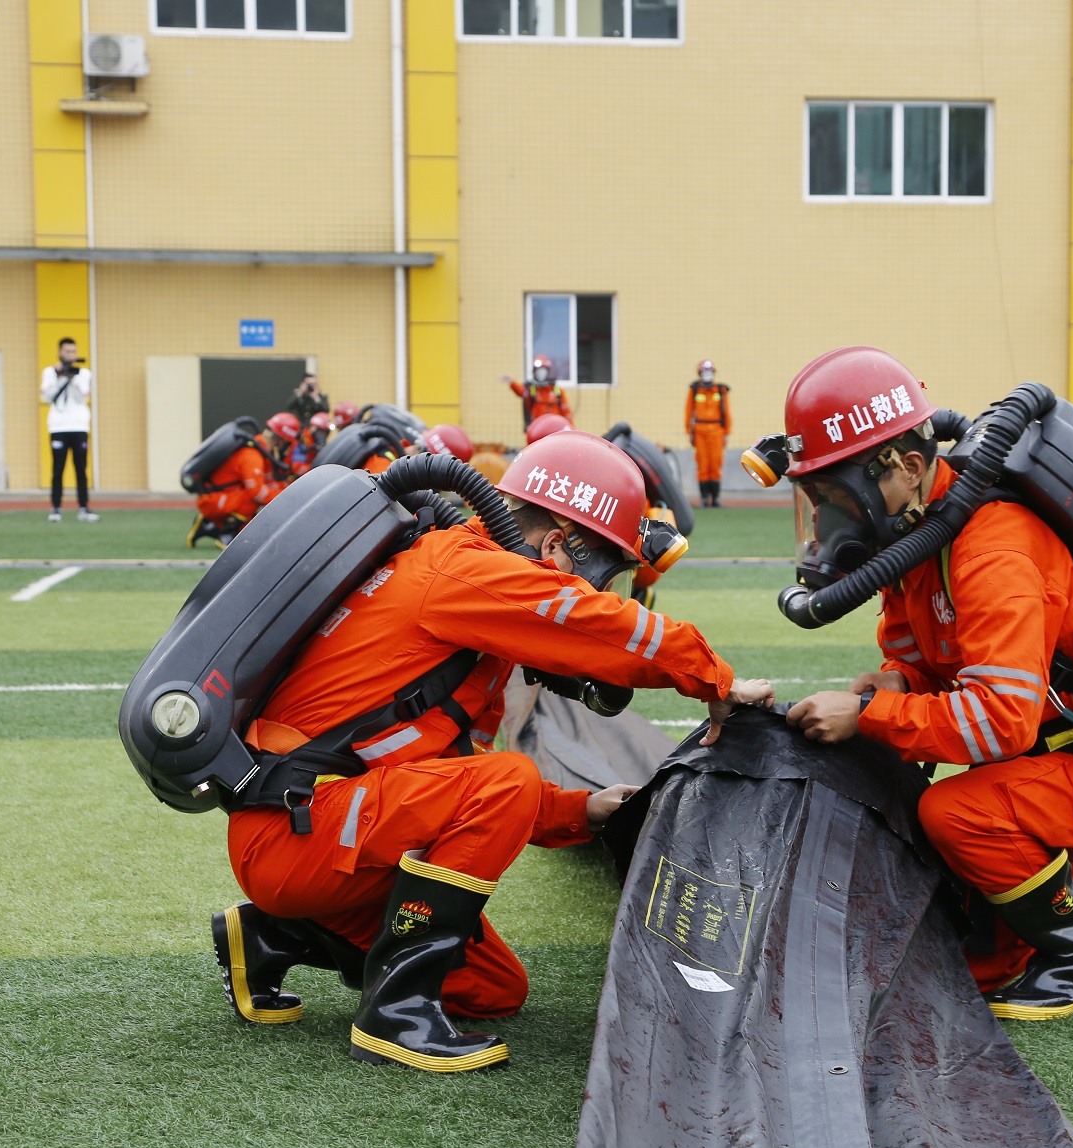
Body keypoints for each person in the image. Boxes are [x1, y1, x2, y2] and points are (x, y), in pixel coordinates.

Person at [216, 430, 774, 1072]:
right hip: (300, 830)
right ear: (560, 543)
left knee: (493, 989)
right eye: (603, 573)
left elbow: (451, 784)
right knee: (510, 776)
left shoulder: (468, 607)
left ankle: (270, 933)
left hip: (321, 826)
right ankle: (395, 1017)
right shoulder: (466, 569)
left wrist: (580, 811)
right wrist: (718, 680)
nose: (605, 592)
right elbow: (600, 628)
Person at [782, 347, 1073, 1022]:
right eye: (817, 499)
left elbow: (1000, 720)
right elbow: (923, 665)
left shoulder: (992, 548)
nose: (828, 522)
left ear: (908, 468)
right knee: (977, 953)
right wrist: (890, 683)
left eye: (839, 496)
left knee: (954, 815)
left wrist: (870, 715)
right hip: (1055, 756)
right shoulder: (919, 544)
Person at [188, 412, 296, 547]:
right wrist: (286, 497)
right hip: (212, 500)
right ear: (282, 441)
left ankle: (209, 525)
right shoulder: (252, 455)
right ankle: (226, 534)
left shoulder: (262, 451)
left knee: (248, 528)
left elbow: (270, 482)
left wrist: (290, 490)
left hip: (224, 496)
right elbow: (258, 492)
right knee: (252, 498)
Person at [39, 337, 98, 523]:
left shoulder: (84, 373)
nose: (71, 355)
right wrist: (59, 377)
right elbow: (47, 397)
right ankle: (55, 509)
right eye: (68, 351)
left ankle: (84, 508)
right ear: (60, 353)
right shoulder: (49, 372)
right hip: (58, 427)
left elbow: (82, 398)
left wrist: (71, 379)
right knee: (58, 469)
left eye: (74, 351)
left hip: (79, 426)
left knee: (81, 468)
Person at [685, 359, 732, 508]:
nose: (707, 375)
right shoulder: (694, 390)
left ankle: (716, 499)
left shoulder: (720, 390)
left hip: (717, 430)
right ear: (700, 374)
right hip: (700, 431)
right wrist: (689, 431)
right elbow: (688, 411)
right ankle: (705, 499)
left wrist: (727, 432)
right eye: (704, 372)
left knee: (716, 464)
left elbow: (727, 412)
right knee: (703, 464)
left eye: (709, 372)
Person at [506, 355, 571, 434]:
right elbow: (521, 391)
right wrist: (512, 382)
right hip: (537, 430)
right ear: (534, 372)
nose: (541, 374)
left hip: (554, 431)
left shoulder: (557, 391)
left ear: (548, 372)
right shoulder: (531, 390)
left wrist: (571, 430)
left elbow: (567, 413)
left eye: (543, 371)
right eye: (538, 371)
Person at [288, 413, 333, 477]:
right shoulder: (302, 441)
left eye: (325, 432)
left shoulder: (318, 444)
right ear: (312, 427)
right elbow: (297, 468)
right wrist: (318, 468)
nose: (322, 435)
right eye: (320, 431)